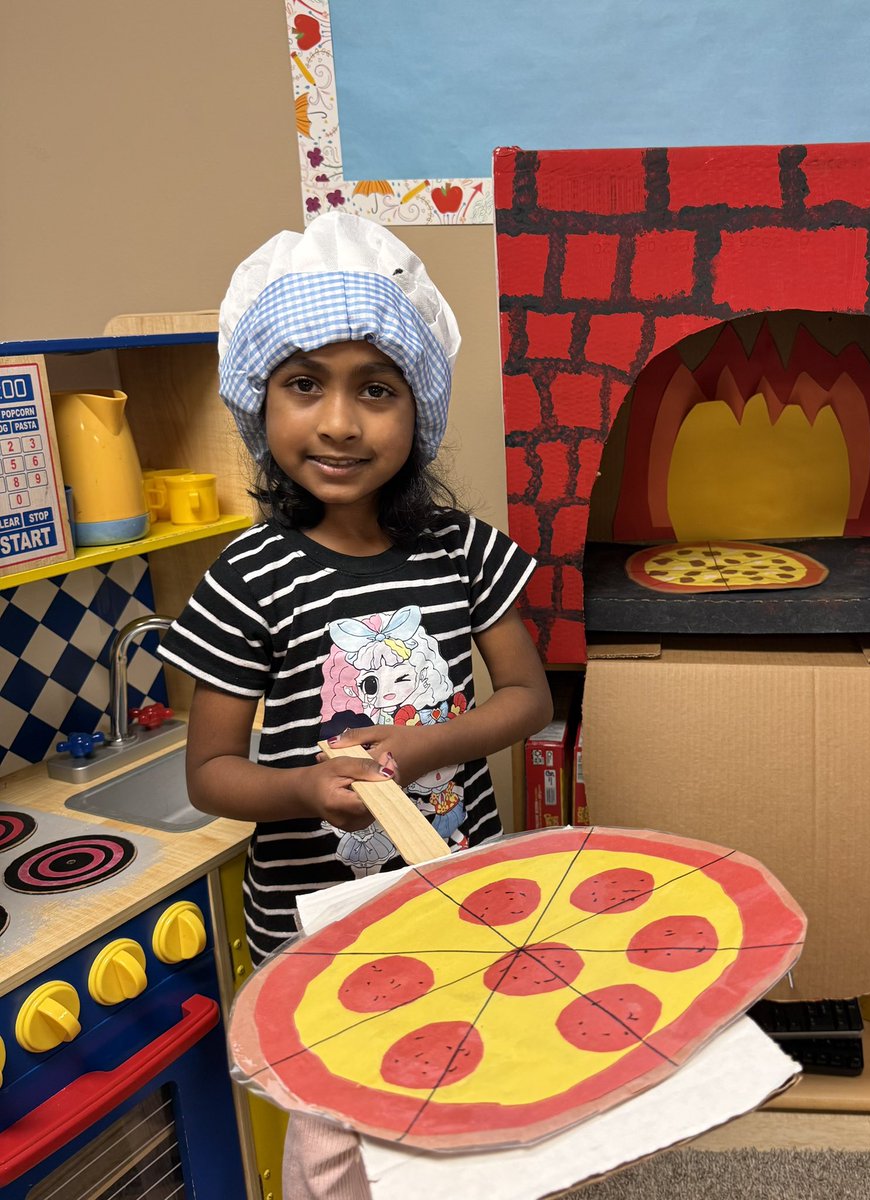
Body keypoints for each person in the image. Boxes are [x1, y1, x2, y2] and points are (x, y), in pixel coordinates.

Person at [159, 210, 553, 1198]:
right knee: (339, 1143)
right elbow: (211, 775)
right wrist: (307, 790)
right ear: (259, 400)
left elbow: (527, 697)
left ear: (419, 408)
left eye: (376, 388)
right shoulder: (247, 578)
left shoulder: (462, 551)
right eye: (304, 384)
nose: (339, 422)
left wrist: (421, 749)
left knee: (459, 1111)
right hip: (317, 928)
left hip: (449, 898)